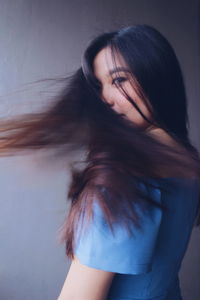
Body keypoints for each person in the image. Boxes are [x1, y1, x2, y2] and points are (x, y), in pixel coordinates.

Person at [0, 24, 200, 300]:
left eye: (119, 80)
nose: (105, 98)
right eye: (99, 85)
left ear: (156, 75)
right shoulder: (187, 161)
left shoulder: (129, 174)